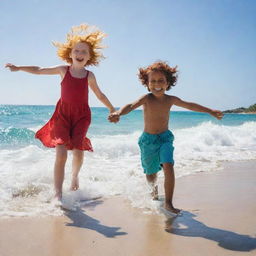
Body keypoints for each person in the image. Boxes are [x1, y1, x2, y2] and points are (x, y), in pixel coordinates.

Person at [5, 24, 116, 200]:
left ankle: (74, 176)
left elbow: (100, 95)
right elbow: (39, 70)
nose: (80, 54)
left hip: (82, 116)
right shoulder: (63, 70)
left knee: (78, 150)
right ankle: (58, 193)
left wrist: (111, 109)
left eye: (84, 52)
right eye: (77, 51)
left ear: (89, 57)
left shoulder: (90, 76)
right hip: (63, 115)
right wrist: (19, 68)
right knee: (61, 151)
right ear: (70, 53)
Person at [108, 61, 223, 215]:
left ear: (167, 83)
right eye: (153, 81)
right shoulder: (146, 98)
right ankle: (154, 197)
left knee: (168, 165)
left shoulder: (170, 99)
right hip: (148, 141)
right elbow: (130, 105)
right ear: (147, 84)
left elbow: (190, 105)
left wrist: (210, 111)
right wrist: (118, 113)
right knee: (151, 173)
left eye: (161, 81)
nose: (157, 84)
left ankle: (168, 203)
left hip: (165, 139)